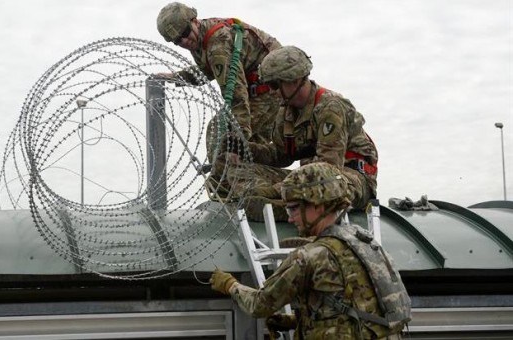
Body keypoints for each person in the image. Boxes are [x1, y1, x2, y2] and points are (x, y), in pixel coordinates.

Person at [210, 162, 411, 339]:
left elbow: (259, 304)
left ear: (319, 205)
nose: (289, 218)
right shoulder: (365, 242)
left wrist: (230, 285)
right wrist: (296, 320)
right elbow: (358, 310)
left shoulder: (310, 256)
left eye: (294, 208)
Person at [228, 45, 379, 221]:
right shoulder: (286, 113)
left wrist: (276, 189)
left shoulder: (330, 107)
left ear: (294, 79)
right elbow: (280, 154)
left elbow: (327, 167)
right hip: (304, 179)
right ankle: (275, 201)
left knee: (321, 183)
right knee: (234, 170)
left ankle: (281, 207)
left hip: (348, 179)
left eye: (274, 85)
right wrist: (245, 149)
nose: (271, 91)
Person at [156, 2, 282, 200]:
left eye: (186, 33)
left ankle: (235, 193)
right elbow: (208, 71)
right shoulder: (200, 40)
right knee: (239, 144)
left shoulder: (217, 43)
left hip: (273, 90)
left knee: (227, 136)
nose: (184, 41)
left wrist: (238, 139)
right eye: (177, 41)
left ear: (194, 21)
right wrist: (178, 77)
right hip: (256, 91)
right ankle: (245, 193)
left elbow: (236, 95)